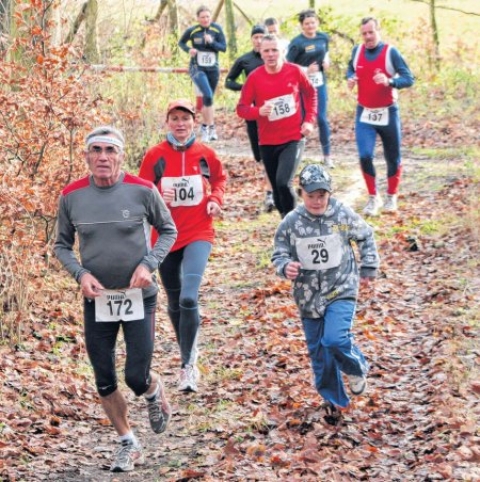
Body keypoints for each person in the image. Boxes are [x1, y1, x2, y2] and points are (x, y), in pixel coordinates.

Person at [54, 126, 178, 472]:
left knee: (136, 377)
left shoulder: (142, 190)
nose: (103, 157)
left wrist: (149, 264)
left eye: (110, 150)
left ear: (121, 155)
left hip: (139, 296)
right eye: (96, 150)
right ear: (86, 156)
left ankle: (154, 391)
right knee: (104, 379)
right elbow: (61, 245)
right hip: (98, 299)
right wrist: (81, 274)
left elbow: (169, 230)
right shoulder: (72, 195)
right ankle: (128, 442)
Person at [271, 164, 380, 423]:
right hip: (308, 298)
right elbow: (279, 253)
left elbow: (365, 235)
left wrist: (368, 267)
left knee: (335, 339)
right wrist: (286, 266)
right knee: (320, 354)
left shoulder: (341, 215)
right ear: (301, 194)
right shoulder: (292, 223)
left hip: (341, 288)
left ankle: (355, 368)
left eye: (322, 195)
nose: (317, 201)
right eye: (311, 195)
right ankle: (335, 402)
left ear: (329, 194)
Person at [139, 99, 227, 393]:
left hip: (198, 232)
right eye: (174, 118)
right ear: (167, 123)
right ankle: (188, 347)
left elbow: (220, 179)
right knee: (175, 303)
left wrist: (215, 200)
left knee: (189, 298)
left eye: (185, 118)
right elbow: (141, 190)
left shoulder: (205, 154)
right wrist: (155, 204)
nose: (180, 123)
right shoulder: (155, 156)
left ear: (194, 122)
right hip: (164, 238)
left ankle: (187, 365)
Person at [236, 34, 317, 218]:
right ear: (261, 53)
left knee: (283, 182)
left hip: (293, 138)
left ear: (282, 51)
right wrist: (258, 111)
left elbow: (311, 94)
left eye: (275, 50)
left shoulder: (295, 71)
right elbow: (241, 108)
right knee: (277, 190)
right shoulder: (255, 78)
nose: (271, 54)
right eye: (266, 51)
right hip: (267, 141)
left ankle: (294, 222)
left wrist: (309, 121)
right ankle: (285, 220)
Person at [346, 16, 415, 216]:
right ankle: (373, 197)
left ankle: (391, 196)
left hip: (388, 112)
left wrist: (390, 81)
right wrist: (350, 78)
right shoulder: (357, 51)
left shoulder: (390, 52)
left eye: (371, 32)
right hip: (364, 113)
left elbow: (408, 78)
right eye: (364, 33)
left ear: (378, 31)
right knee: (365, 155)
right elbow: (351, 68)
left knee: (392, 157)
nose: (368, 37)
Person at [225, 24, 274, 213]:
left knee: (274, 148)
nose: (259, 40)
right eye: (256, 37)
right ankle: (271, 186)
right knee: (260, 154)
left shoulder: (272, 59)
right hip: (253, 112)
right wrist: (244, 88)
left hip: (273, 112)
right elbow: (229, 81)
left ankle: (271, 191)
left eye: (262, 37)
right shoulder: (245, 60)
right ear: (252, 39)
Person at [287, 9, 333, 168]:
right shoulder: (297, 42)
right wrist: (306, 70)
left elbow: (326, 52)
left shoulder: (323, 37)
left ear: (317, 23)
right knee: (300, 119)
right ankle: (296, 155)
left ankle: (327, 156)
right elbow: (288, 65)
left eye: (313, 22)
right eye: (307, 23)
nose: (310, 26)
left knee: (321, 118)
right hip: (301, 85)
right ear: (302, 25)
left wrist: (327, 61)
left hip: (319, 83)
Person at [178, 5, 227, 143]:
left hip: (213, 69)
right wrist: (189, 49)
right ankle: (208, 128)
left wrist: (212, 42)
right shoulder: (193, 31)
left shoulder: (217, 29)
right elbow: (181, 42)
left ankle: (208, 127)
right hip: (196, 68)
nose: (205, 19)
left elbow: (223, 48)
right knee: (208, 94)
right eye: (203, 17)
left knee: (209, 99)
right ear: (198, 18)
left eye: (208, 16)